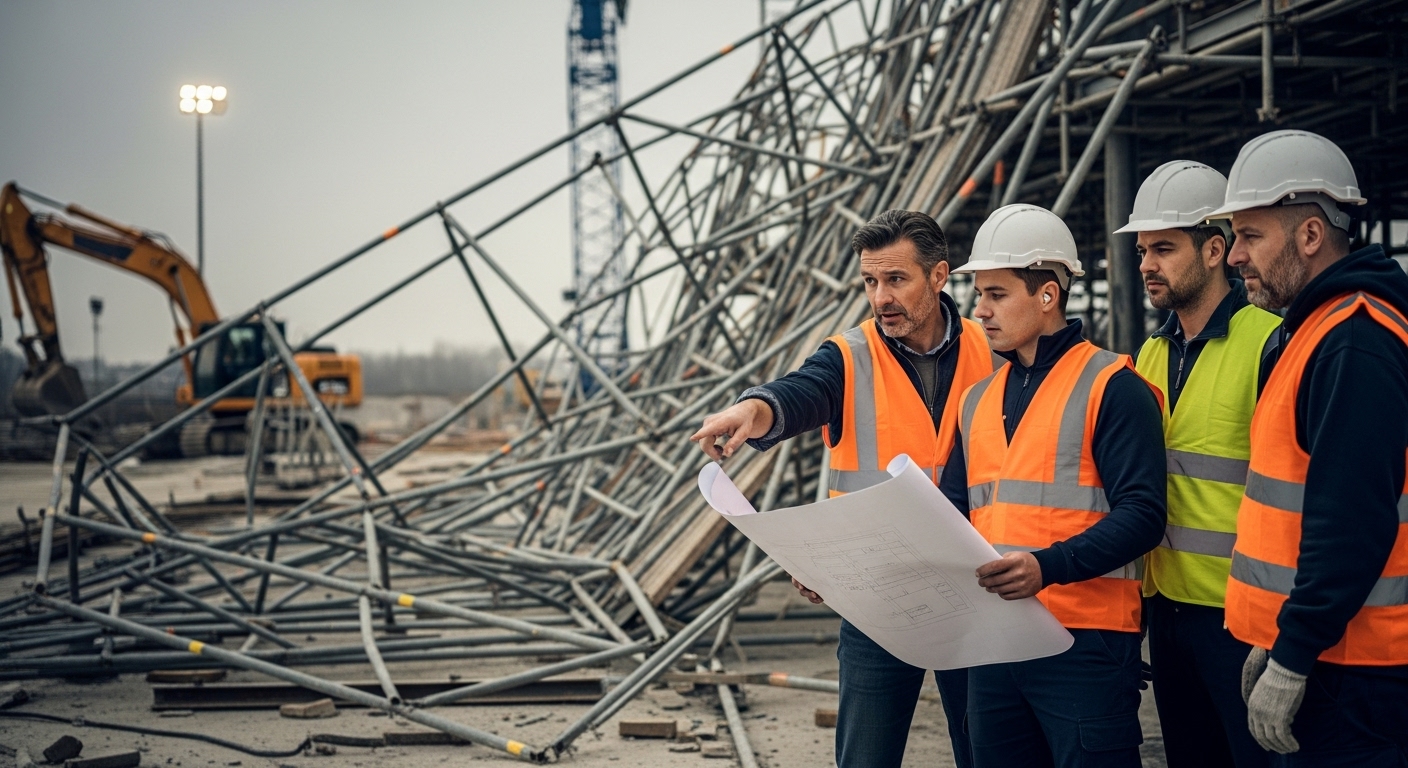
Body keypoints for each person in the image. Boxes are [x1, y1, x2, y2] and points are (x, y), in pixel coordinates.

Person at [690, 209, 994, 768]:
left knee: (987, 751)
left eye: (896, 279)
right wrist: (752, 410)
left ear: (939, 276)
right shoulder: (849, 356)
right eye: (870, 281)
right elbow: (800, 392)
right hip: (879, 596)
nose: (881, 298)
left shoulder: (993, 351)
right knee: (866, 757)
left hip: (975, 586)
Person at [942, 203, 1167, 768]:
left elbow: (1143, 515)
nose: (980, 310)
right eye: (980, 294)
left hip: (1085, 643)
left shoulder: (1113, 385)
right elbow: (949, 515)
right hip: (995, 641)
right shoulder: (975, 401)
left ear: (1047, 295)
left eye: (996, 294)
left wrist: (1047, 566)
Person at [1208, 129, 1408, 763]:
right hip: (1333, 653)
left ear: (1311, 235)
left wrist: (1293, 653)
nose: (1234, 256)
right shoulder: (1316, 331)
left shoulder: (1353, 340)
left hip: (1356, 672)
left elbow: (1350, 523)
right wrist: (1279, 638)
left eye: (1250, 235)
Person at [1121, 161, 1280, 768]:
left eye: (1164, 249)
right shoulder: (1150, 353)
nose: (1146, 264)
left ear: (1215, 250)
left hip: (1242, 617)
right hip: (1167, 608)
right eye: (1142, 250)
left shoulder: (1270, 342)